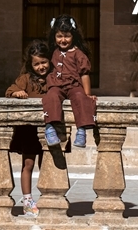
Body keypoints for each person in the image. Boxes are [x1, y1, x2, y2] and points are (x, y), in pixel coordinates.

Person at [42, 15, 98, 168]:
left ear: (73, 36)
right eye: (59, 36)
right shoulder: (52, 52)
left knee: (80, 97)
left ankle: (81, 131)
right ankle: (50, 129)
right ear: (54, 37)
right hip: (57, 85)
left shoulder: (79, 54)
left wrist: (87, 94)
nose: (63, 40)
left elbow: (84, 74)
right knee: (51, 96)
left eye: (67, 36)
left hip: (74, 85)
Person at [5, 39, 51, 217]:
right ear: (30, 65)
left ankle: (48, 197)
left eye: (44, 62)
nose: (41, 67)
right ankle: (27, 200)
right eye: (37, 63)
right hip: (29, 129)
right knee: (28, 163)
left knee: (47, 163)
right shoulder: (25, 79)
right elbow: (10, 90)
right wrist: (17, 93)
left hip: (50, 127)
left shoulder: (54, 78)